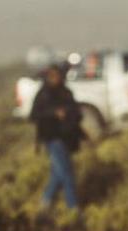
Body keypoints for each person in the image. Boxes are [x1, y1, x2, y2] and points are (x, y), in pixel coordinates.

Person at [29, 64, 84, 219]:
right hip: (52, 138)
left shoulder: (66, 93)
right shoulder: (43, 94)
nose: (55, 78)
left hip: (67, 138)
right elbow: (34, 115)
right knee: (66, 173)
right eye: (52, 76)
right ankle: (73, 209)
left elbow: (77, 113)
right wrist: (53, 113)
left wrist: (71, 118)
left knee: (58, 173)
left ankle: (45, 203)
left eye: (57, 75)